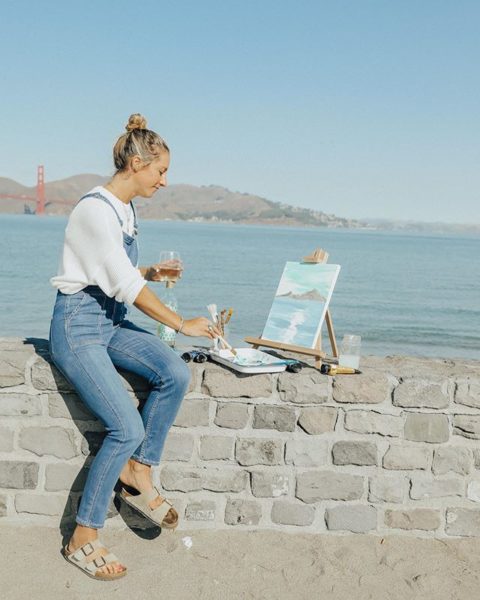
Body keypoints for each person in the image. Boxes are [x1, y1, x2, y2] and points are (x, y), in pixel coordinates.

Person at [49, 113, 219, 580]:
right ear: (137, 162)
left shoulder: (126, 211)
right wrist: (182, 322)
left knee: (174, 374)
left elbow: (114, 271)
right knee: (123, 427)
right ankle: (83, 535)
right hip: (78, 327)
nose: (164, 180)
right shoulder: (95, 210)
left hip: (111, 321)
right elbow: (118, 282)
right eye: (160, 171)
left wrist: (149, 275)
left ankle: (139, 471)